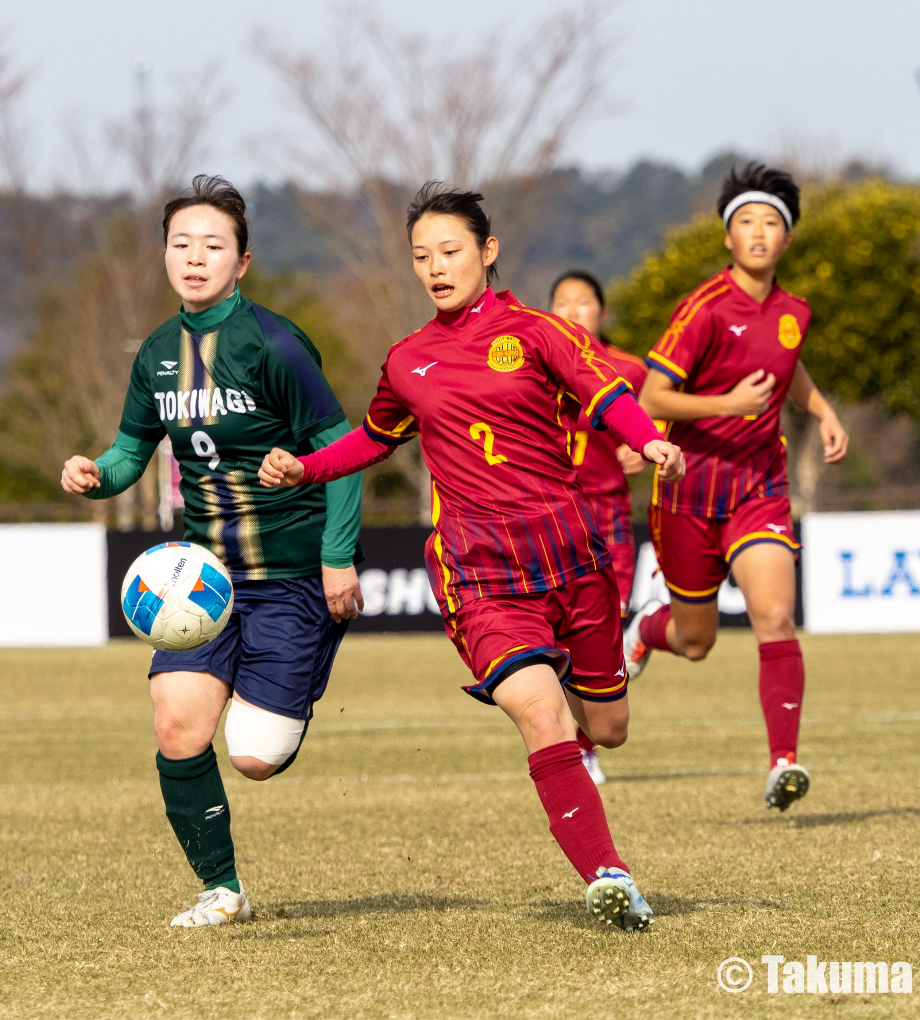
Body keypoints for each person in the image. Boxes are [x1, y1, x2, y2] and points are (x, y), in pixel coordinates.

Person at [259, 182, 686, 931]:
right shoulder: (407, 360)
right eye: (421, 256)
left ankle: (627, 646)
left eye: (450, 251)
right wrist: (307, 466)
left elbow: (604, 391)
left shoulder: (540, 331)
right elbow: (372, 437)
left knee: (609, 727)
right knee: (539, 709)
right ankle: (609, 874)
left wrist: (643, 437)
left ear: (487, 252)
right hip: (479, 571)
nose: (435, 266)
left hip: (572, 558)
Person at [60, 176, 365, 927]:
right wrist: (98, 474)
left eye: (213, 246)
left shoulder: (276, 344)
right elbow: (133, 452)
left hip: (293, 576)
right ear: (165, 254)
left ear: (243, 260)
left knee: (255, 756)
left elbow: (342, 448)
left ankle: (301, 665)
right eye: (181, 244)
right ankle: (221, 890)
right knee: (177, 724)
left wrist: (337, 555)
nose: (194, 258)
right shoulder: (158, 353)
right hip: (206, 579)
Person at [626, 162, 848, 812]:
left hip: (759, 489)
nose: (758, 232)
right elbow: (652, 394)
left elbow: (786, 366)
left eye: (771, 223)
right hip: (689, 493)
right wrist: (725, 406)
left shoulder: (793, 313)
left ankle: (784, 761)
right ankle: (645, 632)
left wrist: (822, 409)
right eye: (746, 221)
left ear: (786, 239)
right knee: (696, 642)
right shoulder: (703, 309)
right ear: (729, 237)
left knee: (775, 615)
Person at [548, 270, 650, 786]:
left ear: (602, 313)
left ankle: (585, 746)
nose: (571, 311)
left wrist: (643, 446)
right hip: (550, 520)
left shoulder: (630, 369)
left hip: (607, 517)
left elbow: (658, 421)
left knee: (600, 637)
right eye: (561, 303)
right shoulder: (536, 363)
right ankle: (576, 745)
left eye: (583, 302)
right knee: (560, 642)